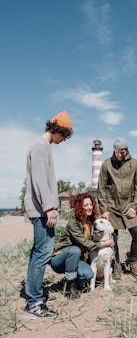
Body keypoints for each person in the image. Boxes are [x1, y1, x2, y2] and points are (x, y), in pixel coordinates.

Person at [24, 110, 73, 318]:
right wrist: (49, 208)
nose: (63, 141)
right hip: (42, 210)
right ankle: (34, 303)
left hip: (41, 209)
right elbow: (39, 180)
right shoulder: (40, 146)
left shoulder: (42, 146)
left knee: (39, 252)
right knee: (42, 253)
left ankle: (34, 297)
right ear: (57, 130)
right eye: (64, 136)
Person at [97, 137, 137, 279]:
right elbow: (101, 189)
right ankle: (116, 264)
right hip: (112, 207)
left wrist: (135, 206)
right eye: (118, 152)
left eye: (123, 152)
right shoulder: (106, 165)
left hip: (129, 206)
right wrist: (104, 209)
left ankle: (134, 262)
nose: (120, 155)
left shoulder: (135, 164)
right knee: (114, 237)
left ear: (127, 150)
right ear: (114, 150)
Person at [51, 192, 114, 297]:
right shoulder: (73, 223)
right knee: (75, 250)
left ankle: (75, 280)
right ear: (79, 207)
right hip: (60, 259)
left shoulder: (91, 222)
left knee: (88, 274)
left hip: (77, 260)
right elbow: (86, 243)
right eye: (86, 205)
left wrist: (110, 251)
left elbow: (107, 234)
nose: (89, 207)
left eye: (90, 204)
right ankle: (70, 288)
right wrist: (105, 244)